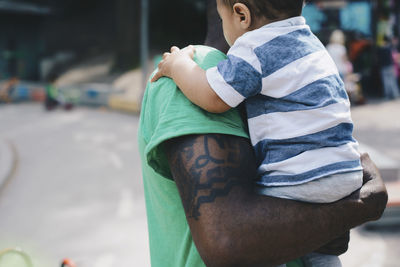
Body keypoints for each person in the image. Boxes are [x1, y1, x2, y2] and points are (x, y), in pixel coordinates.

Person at [152, 1, 365, 265]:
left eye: (222, 19)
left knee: (264, 247)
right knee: (322, 254)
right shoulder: (311, 44)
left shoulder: (254, 48)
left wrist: (178, 65)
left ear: (241, 15)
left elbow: (213, 95)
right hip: (345, 175)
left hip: (298, 179)